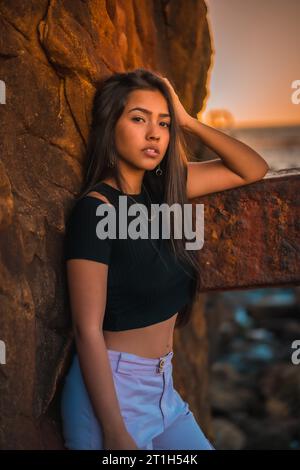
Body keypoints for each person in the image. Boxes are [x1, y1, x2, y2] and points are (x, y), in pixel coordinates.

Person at [60, 68, 269, 450]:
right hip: (111, 396)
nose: (154, 133)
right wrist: (114, 431)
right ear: (111, 126)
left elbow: (254, 169)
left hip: (163, 391)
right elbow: (86, 329)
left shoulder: (165, 191)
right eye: (139, 118)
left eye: (164, 123)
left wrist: (188, 121)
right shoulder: (95, 211)